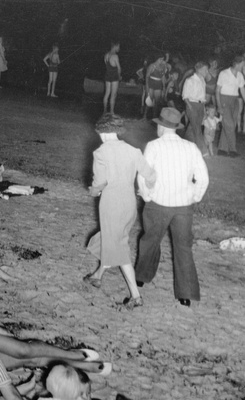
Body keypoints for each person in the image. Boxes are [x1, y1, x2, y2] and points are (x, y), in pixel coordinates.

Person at [134, 107, 209, 307]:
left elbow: (143, 175)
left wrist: (147, 195)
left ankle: (141, 277)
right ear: (176, 128)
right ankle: (186, 294)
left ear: (160, 127)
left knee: (150, 239)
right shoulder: (191, 147)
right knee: (183, 247)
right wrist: (194, 195)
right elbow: (203, 178)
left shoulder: (153, 146)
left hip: (158, 203)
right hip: (183, 206)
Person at [84, 114, 156, 309]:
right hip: (129, 202)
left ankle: (135, 295)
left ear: (104, 133)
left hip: (111, 202)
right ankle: (97, 276)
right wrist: (147, 190)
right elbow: (150, 175)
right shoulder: (133, 150)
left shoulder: (101, 152)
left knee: (118, 246)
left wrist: (93, 190)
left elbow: (99, 183)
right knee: (114, 238)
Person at [216, 55, 245, 157]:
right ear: (237, 64)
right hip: (224, 99)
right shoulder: (224, 73)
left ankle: (222, 149)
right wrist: (219, 106)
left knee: (230, 125)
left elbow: (242, 90)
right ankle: (232, 150)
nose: (244, 66)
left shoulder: (240, 75)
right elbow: (217, 90)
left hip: (235, 101)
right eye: (243, 64)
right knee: (229, 125)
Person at [181, 60, 210, 150]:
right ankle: (203, 150)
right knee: (197, 129)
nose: (207, 72)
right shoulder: (190, 80)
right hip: (191, 105)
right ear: (199, 69)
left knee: (192, 127)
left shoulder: (203, 81)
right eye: (205, 70)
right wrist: (190, 108)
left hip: (200, 106)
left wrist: (204, 109)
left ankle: (184, 145)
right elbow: (185, 96)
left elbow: (203, 97)